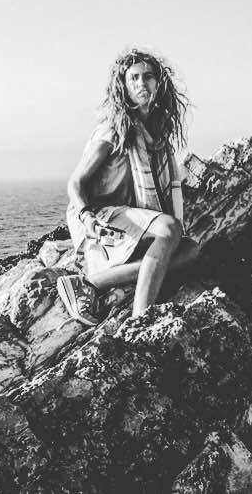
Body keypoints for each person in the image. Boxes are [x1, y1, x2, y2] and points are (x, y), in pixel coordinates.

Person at [57, 48, 199, 326]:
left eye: (148, 76)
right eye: (133, 78)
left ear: (158, 83)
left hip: (128, 217)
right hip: (102, 216)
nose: (141, 83)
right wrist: (87, 217)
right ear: (123, 86)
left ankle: (93, 282)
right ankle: (140, 320)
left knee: (189, 249)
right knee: (170, 229)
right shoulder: (113, 131)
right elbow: (75, 183)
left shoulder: (157, 135)